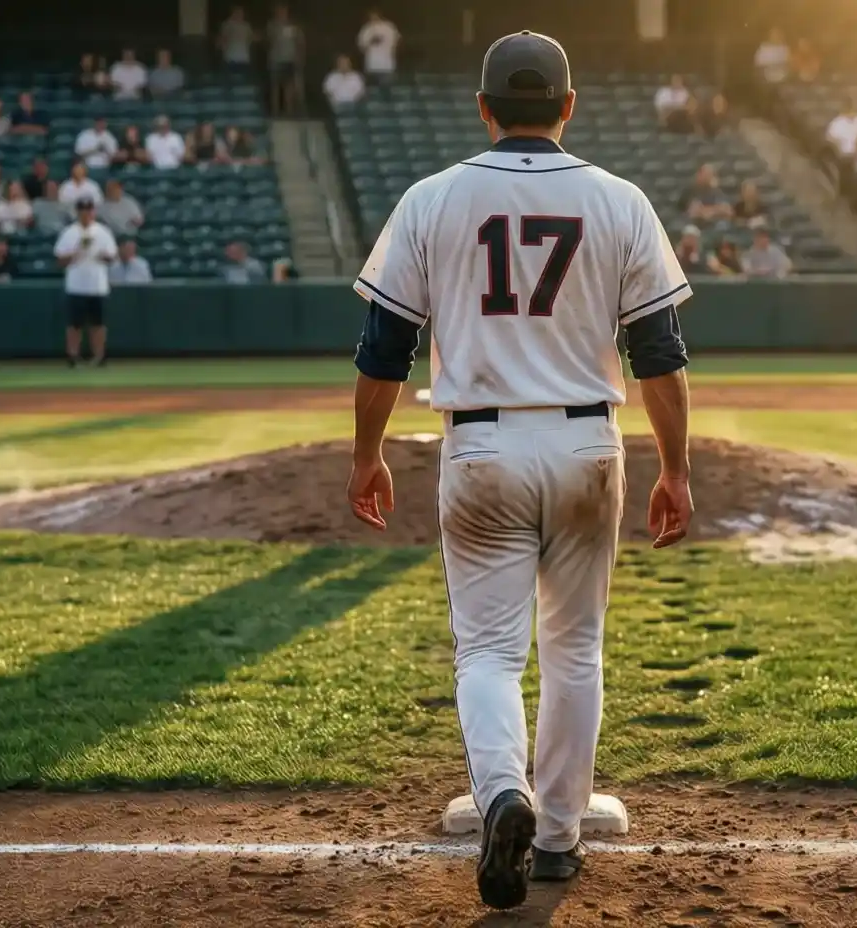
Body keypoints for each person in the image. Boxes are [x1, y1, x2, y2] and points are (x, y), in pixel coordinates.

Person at [347, 31, 692, 909]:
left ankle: (505, 793)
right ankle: (558, 837)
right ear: (569, 107)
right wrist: (677, 470)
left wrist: (368, 456)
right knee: (576, 647)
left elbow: (385, 347)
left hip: (482, 445)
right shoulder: (620, 200)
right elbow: (659, 352)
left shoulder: (433, 198)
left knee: (490, 653)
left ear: (485, 108)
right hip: (586, 442)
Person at [54, 199, 116, 367]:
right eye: (83, 210)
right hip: (76, 285)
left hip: (97, 285)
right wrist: (74, 254)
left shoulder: (102, 232)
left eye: (89, 210)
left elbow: (112, 256)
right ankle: (72, 356)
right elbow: (59, 259)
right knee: (75, 324)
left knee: (98, 323)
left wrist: (101, 255)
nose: (86, 213)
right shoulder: (69, 232)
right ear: (78, 212)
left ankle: (100, 356)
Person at [266, 4, 306, 117]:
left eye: (284, 11)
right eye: (279, 11)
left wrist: (300, 57)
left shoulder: (294, 26)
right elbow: (268, 40)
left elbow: (300, 42)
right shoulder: (271, 25)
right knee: (275, 86)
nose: (281, 13)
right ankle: (275, 112)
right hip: (275, 59)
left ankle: (289, 112)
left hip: (290, 60)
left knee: (289, 87)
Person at [357, 9, 401, 82]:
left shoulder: (389, 26)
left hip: (387, 66)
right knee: (373, 91)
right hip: (371, 66)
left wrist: (394, 49)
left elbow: (398, 40)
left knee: (387, 90)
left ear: (379, 16)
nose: (373, 18)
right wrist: (371, 42)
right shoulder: (365, 29)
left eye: (375, 16)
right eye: (371, 16)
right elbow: (361, 47)